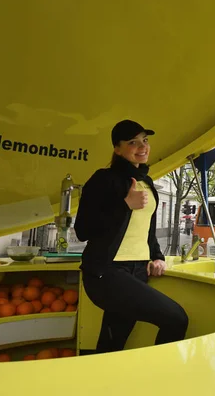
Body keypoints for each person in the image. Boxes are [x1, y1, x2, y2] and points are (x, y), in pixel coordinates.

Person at [74, 119, 189, 353]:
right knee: (176, 318)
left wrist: (158, 257)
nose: (142, 147)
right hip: (107, 273)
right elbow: (83, 229)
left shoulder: (146, 182)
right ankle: (159, 383)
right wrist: (124, 204)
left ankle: (100, 385)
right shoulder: (103, 179)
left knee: (112, 344)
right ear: (117, 148)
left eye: (145, 141)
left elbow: (146, 228)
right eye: (133, 142)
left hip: (138, 271)